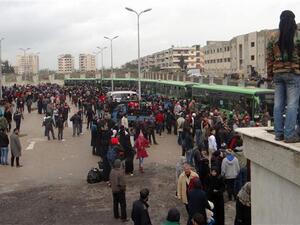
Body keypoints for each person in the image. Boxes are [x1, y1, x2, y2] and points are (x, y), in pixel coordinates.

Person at [267, 10, 300, 142]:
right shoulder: (298, 36)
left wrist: (270, 74)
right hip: (294, 74)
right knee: (292, 105)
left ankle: (278, 134)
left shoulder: (273, 37)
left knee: (278, 105)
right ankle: (289, 135)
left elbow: (269, 59)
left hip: (278, 74)